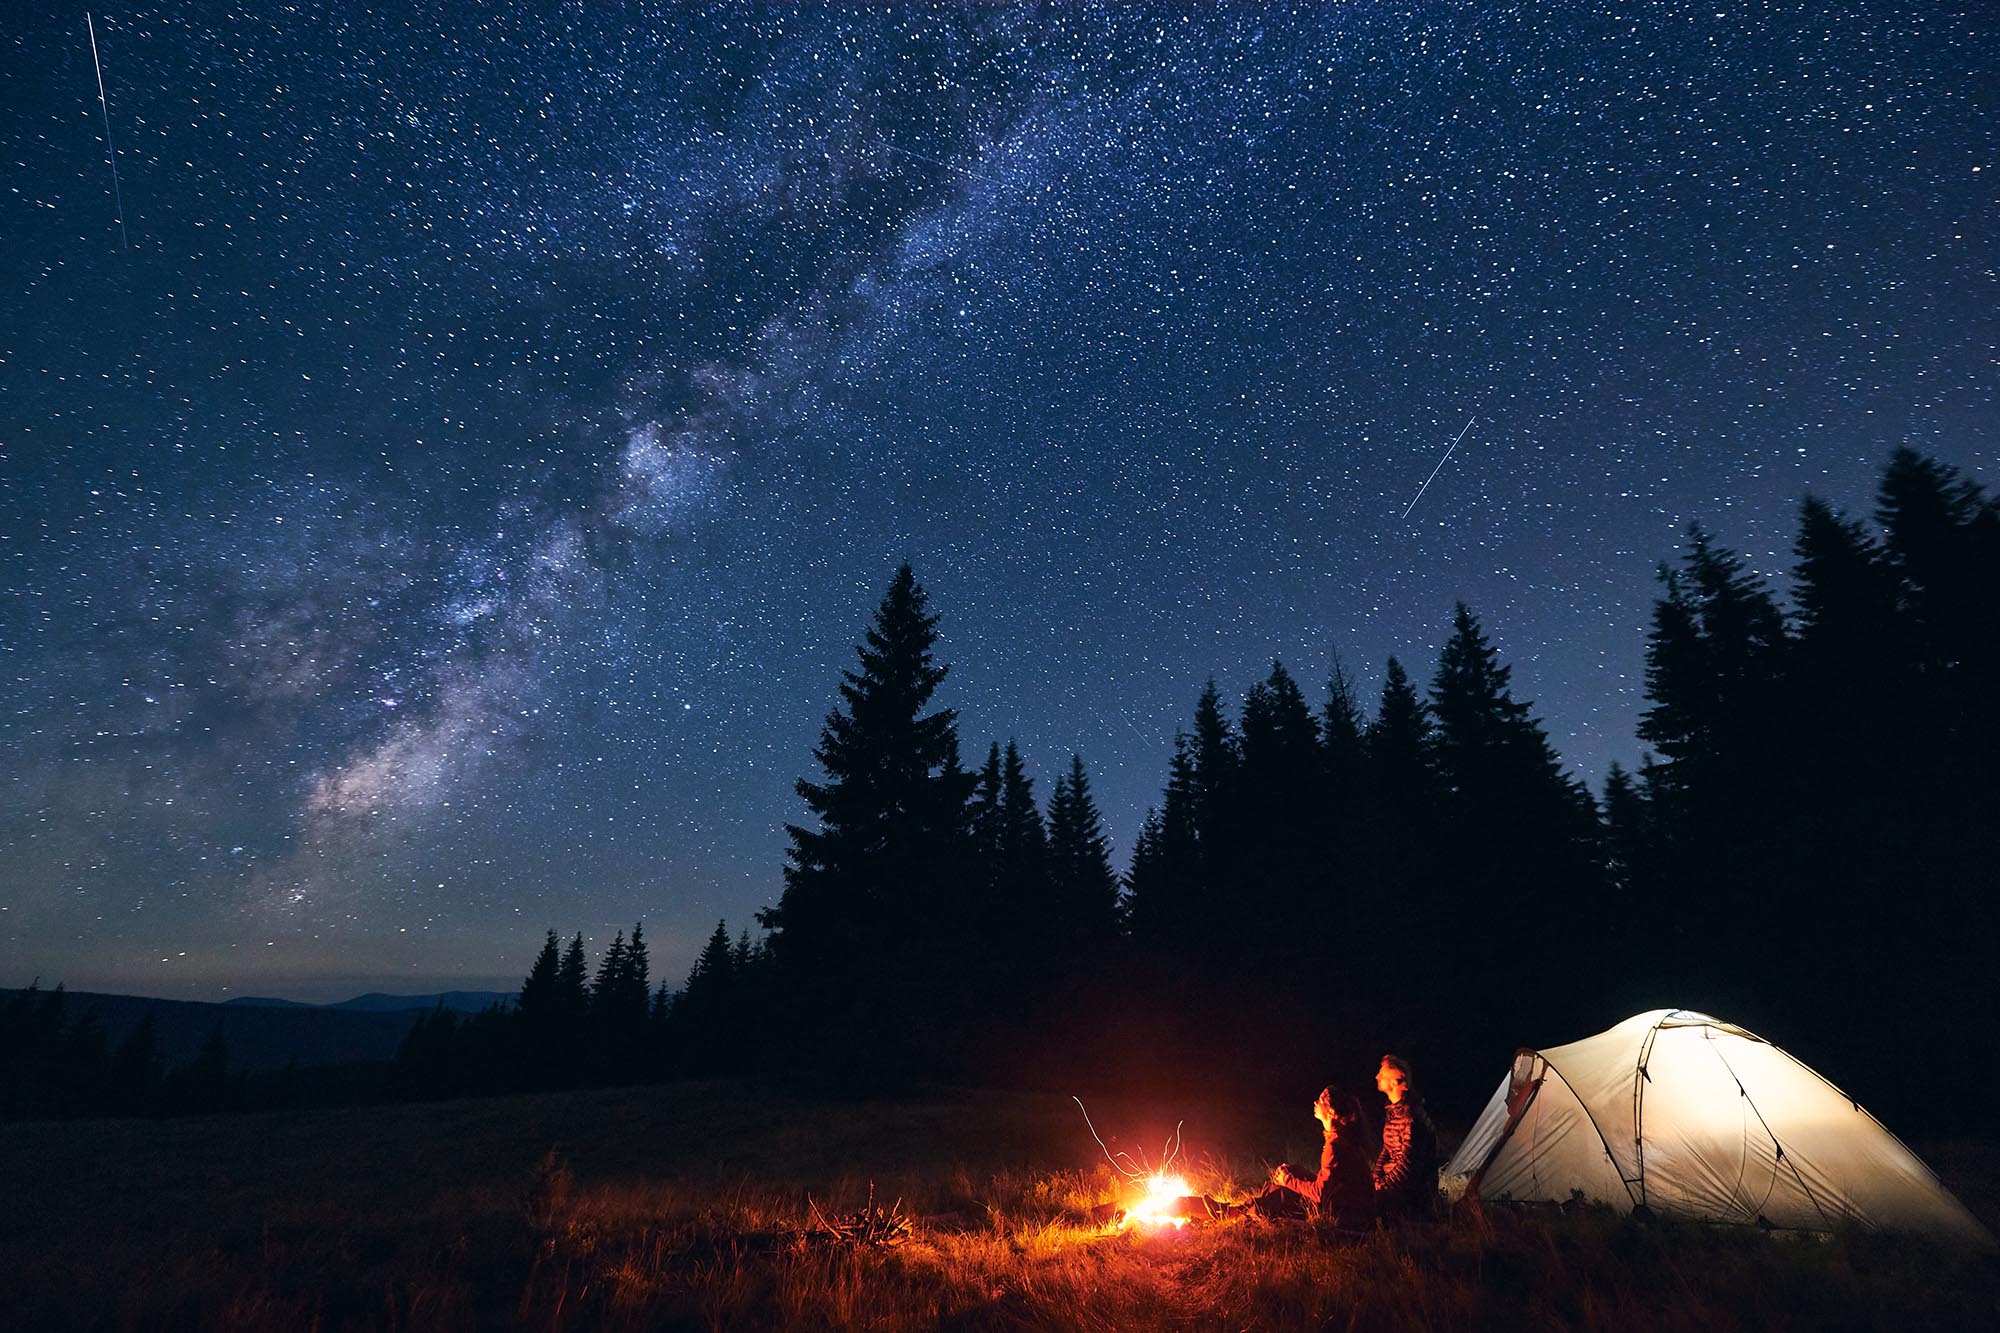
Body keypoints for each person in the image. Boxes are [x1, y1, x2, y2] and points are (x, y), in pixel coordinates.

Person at [1250, 1085, 1374, 1226]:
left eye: (1321, 1100)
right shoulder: (1343, 1136)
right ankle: (1253, 1206)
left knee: (1282, 1192)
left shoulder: (1336, 1145)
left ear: (1331, 1112)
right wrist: (1291, 1175)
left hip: (1344, 1215)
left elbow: (1319, 1194)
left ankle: (1244, 1210)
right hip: (1347, 1206)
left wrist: (1287, 1180)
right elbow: (1331, 1182)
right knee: (1294, 1171)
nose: (1315, 1102)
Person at [1372, 1054, 1439, 1219]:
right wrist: (1376, 1176)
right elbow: (1387, 1148)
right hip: (1395, 1184)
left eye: (1382, 1074)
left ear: (1395, 1082)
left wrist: (1383, 1185)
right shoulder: (1394, 1112)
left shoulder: (1411, 1117)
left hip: (1412, 1192)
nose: (1377, 1077)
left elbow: (1409, 1165)